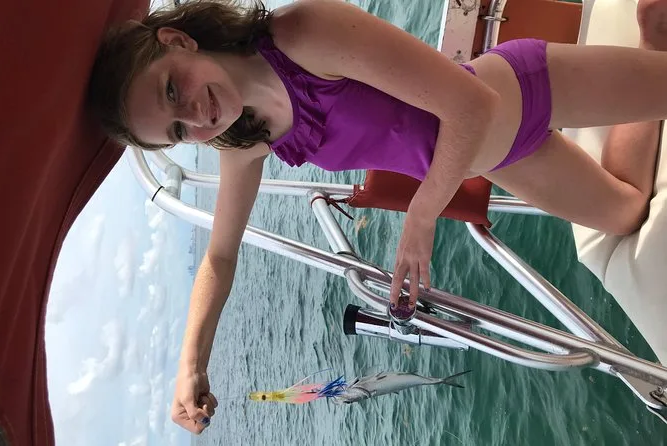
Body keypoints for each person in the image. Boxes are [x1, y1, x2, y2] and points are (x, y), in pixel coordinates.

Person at [88, 0, 667, 434]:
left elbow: (471, 105)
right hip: (504, 158)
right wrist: (191, 363)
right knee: (624, 211)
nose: (196, 117)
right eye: (178, 131)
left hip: (523, 91)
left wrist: (421, 216)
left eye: (172, 90)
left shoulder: (303, 33)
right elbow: (220, 254)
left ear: (177, 40)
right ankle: (652, 37)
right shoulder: (247, 139)